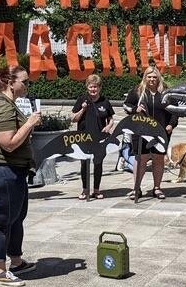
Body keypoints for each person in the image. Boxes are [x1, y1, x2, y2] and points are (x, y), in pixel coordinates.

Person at [0, 66, 42, 286]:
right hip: (1, 171)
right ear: (10, 82)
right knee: (2, 222)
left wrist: (29, 125)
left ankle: (16, 261)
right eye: (25, 81)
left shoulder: (8, 104)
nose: (27, 85)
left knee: (16, 218)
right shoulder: (2, 107)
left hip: (13, 170)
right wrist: (29, 123)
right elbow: (9, 143)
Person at [123, 66, 177, 202]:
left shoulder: (165, 92)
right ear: (145, 77)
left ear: (158, 78)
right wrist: (135, 109)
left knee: (158, 158)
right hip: (141, 131)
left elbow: (175, 110)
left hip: (161, 132)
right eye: (149, 77)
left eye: (154, 77)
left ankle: (157, 188)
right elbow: (126, 105)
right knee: (141, 158)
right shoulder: (138, 91)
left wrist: (171, 124)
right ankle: (136, 188)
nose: (152, 79)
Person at [70, 74, 115, 200]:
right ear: (87, 87)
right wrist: (82, 109)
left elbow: (111, 119)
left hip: (99, 138)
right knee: (84, 164)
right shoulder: (82, 99)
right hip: (83, 137)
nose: (93, 90)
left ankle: (96, 189)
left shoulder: (104, 101)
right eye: (91, 87)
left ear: (99, 88)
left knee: (98, 163)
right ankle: (85, 189)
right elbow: (73, 119)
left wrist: (108, 127)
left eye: (95, 87)